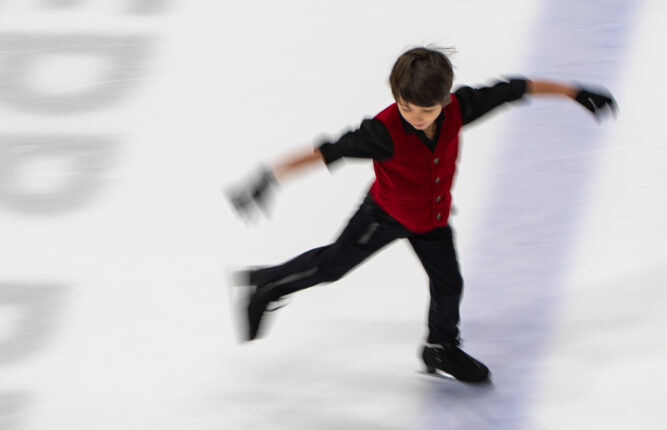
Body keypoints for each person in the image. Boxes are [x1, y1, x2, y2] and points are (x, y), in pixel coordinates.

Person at [227, 46, 616, 384]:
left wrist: (576, 93)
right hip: (384, 214)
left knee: (450, 285)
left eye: (425, 109)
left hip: (431, 219)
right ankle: (267, 285)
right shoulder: (382, 132)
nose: (415, 115)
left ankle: (440, 348)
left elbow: (516, 89)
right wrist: (268, 178)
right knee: (331, 267)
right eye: (405, 106)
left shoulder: (460, 108)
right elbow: (325, 151)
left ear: (445, 100)